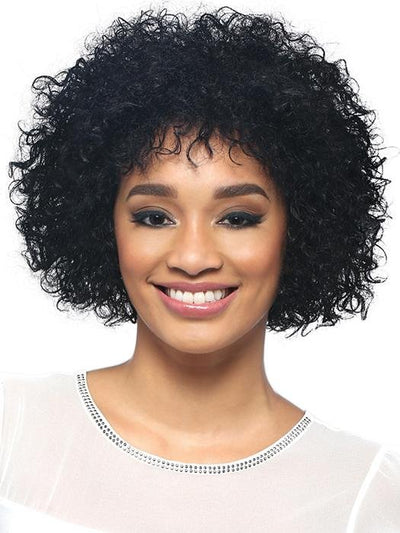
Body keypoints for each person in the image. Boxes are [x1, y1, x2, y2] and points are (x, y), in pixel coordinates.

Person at [1, 5, 399, 531]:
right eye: (154, 216)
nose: (192, 258)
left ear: (299, 229)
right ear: (103, 225)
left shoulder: (364, 493)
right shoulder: (12, 429)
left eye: (237, 218)